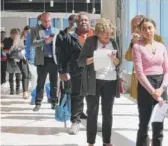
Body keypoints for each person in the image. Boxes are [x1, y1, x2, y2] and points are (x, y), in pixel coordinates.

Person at [78, 18, 120, 146]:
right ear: (98, 32)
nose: (108, 35)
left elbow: (119, 63)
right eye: (105, 33)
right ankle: (91, 142)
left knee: (108, 113)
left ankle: (107, 141)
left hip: (110, 81)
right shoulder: (91, 41)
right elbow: (81, 61)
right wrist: (94, 58)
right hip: (93, 81)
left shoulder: (113, 42)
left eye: (110, 33)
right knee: (92, 112)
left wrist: (114, 60)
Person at [57, 12, 94, 135]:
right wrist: (62, 71)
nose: (83, 22)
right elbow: (63, 56)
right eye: (81, 20)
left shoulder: (97, 36)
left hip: (95, 71)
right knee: (76, 96)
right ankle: (75, 122)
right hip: (77, 71)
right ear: (76, 23)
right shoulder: (70, 37)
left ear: (90, 22)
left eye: (86, 20)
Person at [132, 18, 168, 146]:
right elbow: (139, 73)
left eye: (150, 28)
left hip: (161, 86)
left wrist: (161, 89)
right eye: (143, 29)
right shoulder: (137, 47)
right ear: (140, 31)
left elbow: (166, 71)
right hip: (145, 86)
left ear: (155, 29)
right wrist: (153, 91)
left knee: (158, 124)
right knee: (144, 123)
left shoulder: (162, 46)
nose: (147, 31)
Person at [125, 15, 165, 99]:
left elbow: (164, 58)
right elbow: (128, 58)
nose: (136, 29)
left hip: (158, 79)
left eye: (138, 25)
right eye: (134, 26)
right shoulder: (135, 42)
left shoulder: (157, 38)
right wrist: (133, 44)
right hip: (140, 79)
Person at [30, 12, 59, 111]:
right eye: (45, 21)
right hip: (42, 60)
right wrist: (44, 41)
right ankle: (38, 103)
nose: (47, 23)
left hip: (54, 60)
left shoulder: (56, 30)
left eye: (49, 21)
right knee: (40, 82)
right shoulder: (35, 30)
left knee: (54, 83)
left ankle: (54, 103)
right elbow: (32, 43)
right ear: (41, 20)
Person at [3, 29, 22, 95]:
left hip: (17, 59)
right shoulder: (6, 40)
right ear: (10, 34)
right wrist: (8, 51)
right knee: (11, 74)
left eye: (16, 35)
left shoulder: (19, 40)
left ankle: (17, 89)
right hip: (10, 59)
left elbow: (22, 48)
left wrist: (20, 49)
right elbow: (4, 49)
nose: (14, 36)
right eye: (13, 34)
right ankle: (11, 89)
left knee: (18, 74)